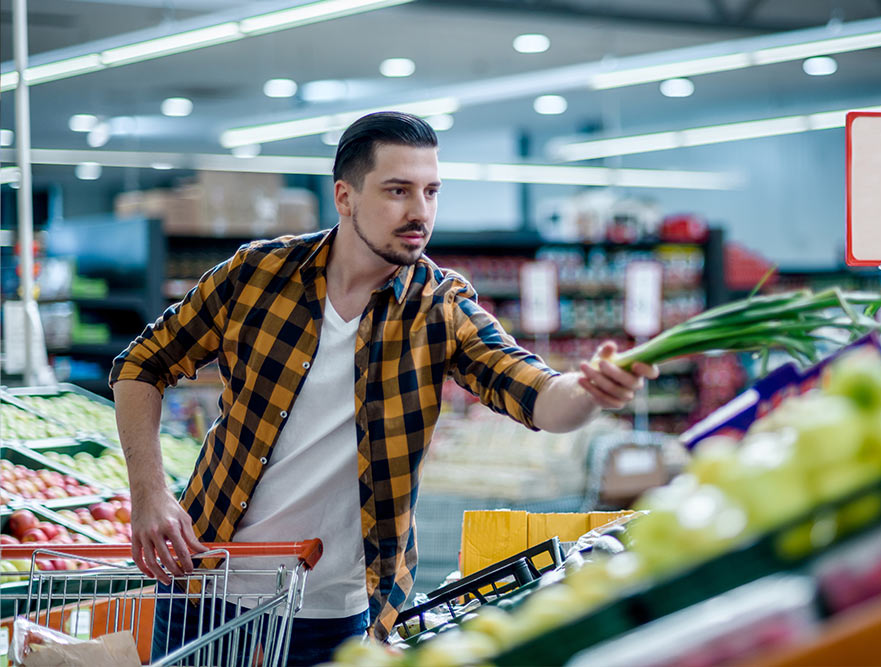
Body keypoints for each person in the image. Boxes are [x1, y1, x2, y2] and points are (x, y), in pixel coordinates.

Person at [110, 111, 658, 664]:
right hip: (205, 583)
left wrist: (592, 389)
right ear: (345, 197)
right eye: (398, 191)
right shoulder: (258, 275)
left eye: (431, 191)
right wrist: (150, 494)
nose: (419, 212)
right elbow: (140, 365)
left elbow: (538, 394)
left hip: (335, 614)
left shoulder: (439, 308)